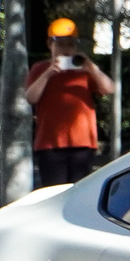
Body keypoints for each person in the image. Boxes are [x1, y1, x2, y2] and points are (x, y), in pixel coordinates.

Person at [26, 17, 116, 188]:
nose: (66, 50)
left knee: (80, 190)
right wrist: (48, 73)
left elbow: (109, 89)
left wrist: (91, 67)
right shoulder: (39, 68)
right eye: (60, 44)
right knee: (54, 191)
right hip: (50, 143)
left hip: (82, 143)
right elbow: (31, 98)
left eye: (70, 44)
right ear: (49, 44)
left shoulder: (84, 70)